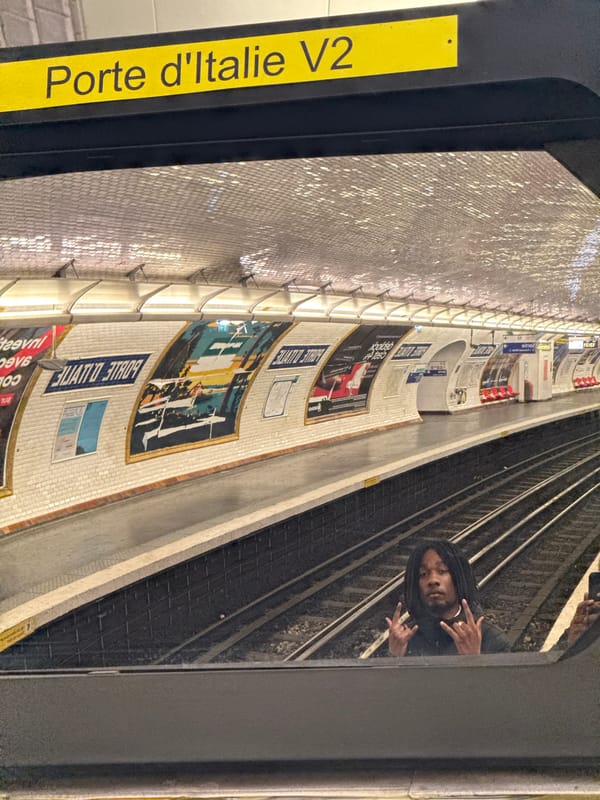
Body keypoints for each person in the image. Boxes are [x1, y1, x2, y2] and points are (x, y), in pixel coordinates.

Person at [386, 538, 510, 656]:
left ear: (458, 578)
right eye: (423, 574)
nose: (433, 580)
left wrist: (474, 661)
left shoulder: (492, 640)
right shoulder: (406, 640)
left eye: (442, 570)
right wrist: (394, 659)